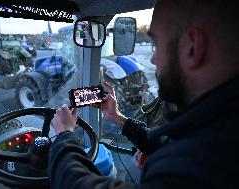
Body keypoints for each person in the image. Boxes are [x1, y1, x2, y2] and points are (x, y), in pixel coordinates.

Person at [48, 0, 239, 188]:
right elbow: (163, 142)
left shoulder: (192, 167)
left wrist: (64, 136)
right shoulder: (214, 132)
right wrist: (117, 118)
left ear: (192, 47)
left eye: (156, 44)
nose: (154, 59)